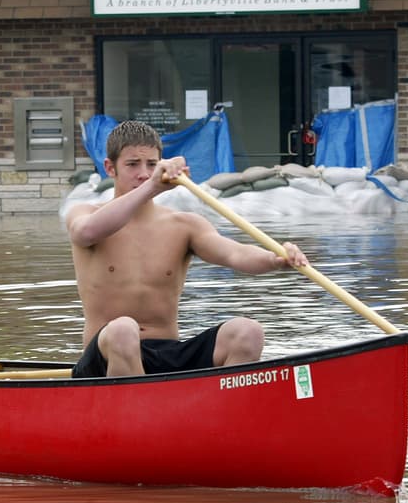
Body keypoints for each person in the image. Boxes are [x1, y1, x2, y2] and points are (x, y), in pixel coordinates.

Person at [66, 120, 310, 379]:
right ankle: (144, 412)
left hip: (169, 353)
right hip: (106, 357)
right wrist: (152, 187)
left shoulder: (184, 225)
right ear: (109, 168)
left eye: (151, 165)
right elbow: (86, 232)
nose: (143, 173)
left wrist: (276, 258)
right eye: (132, 164)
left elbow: (234, 253)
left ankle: (221, 412)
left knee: (247, 332)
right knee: (124, 330)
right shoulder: (85, 214)